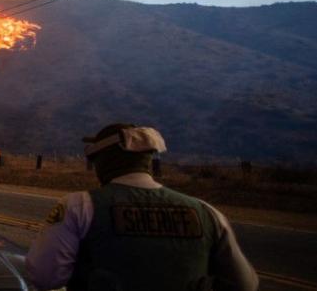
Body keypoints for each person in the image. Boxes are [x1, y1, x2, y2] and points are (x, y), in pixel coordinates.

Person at [25, 123, 259, 291]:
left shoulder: (80, 206)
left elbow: (45, 277)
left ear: (104, 161)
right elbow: (246, 284)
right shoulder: (207, 213)